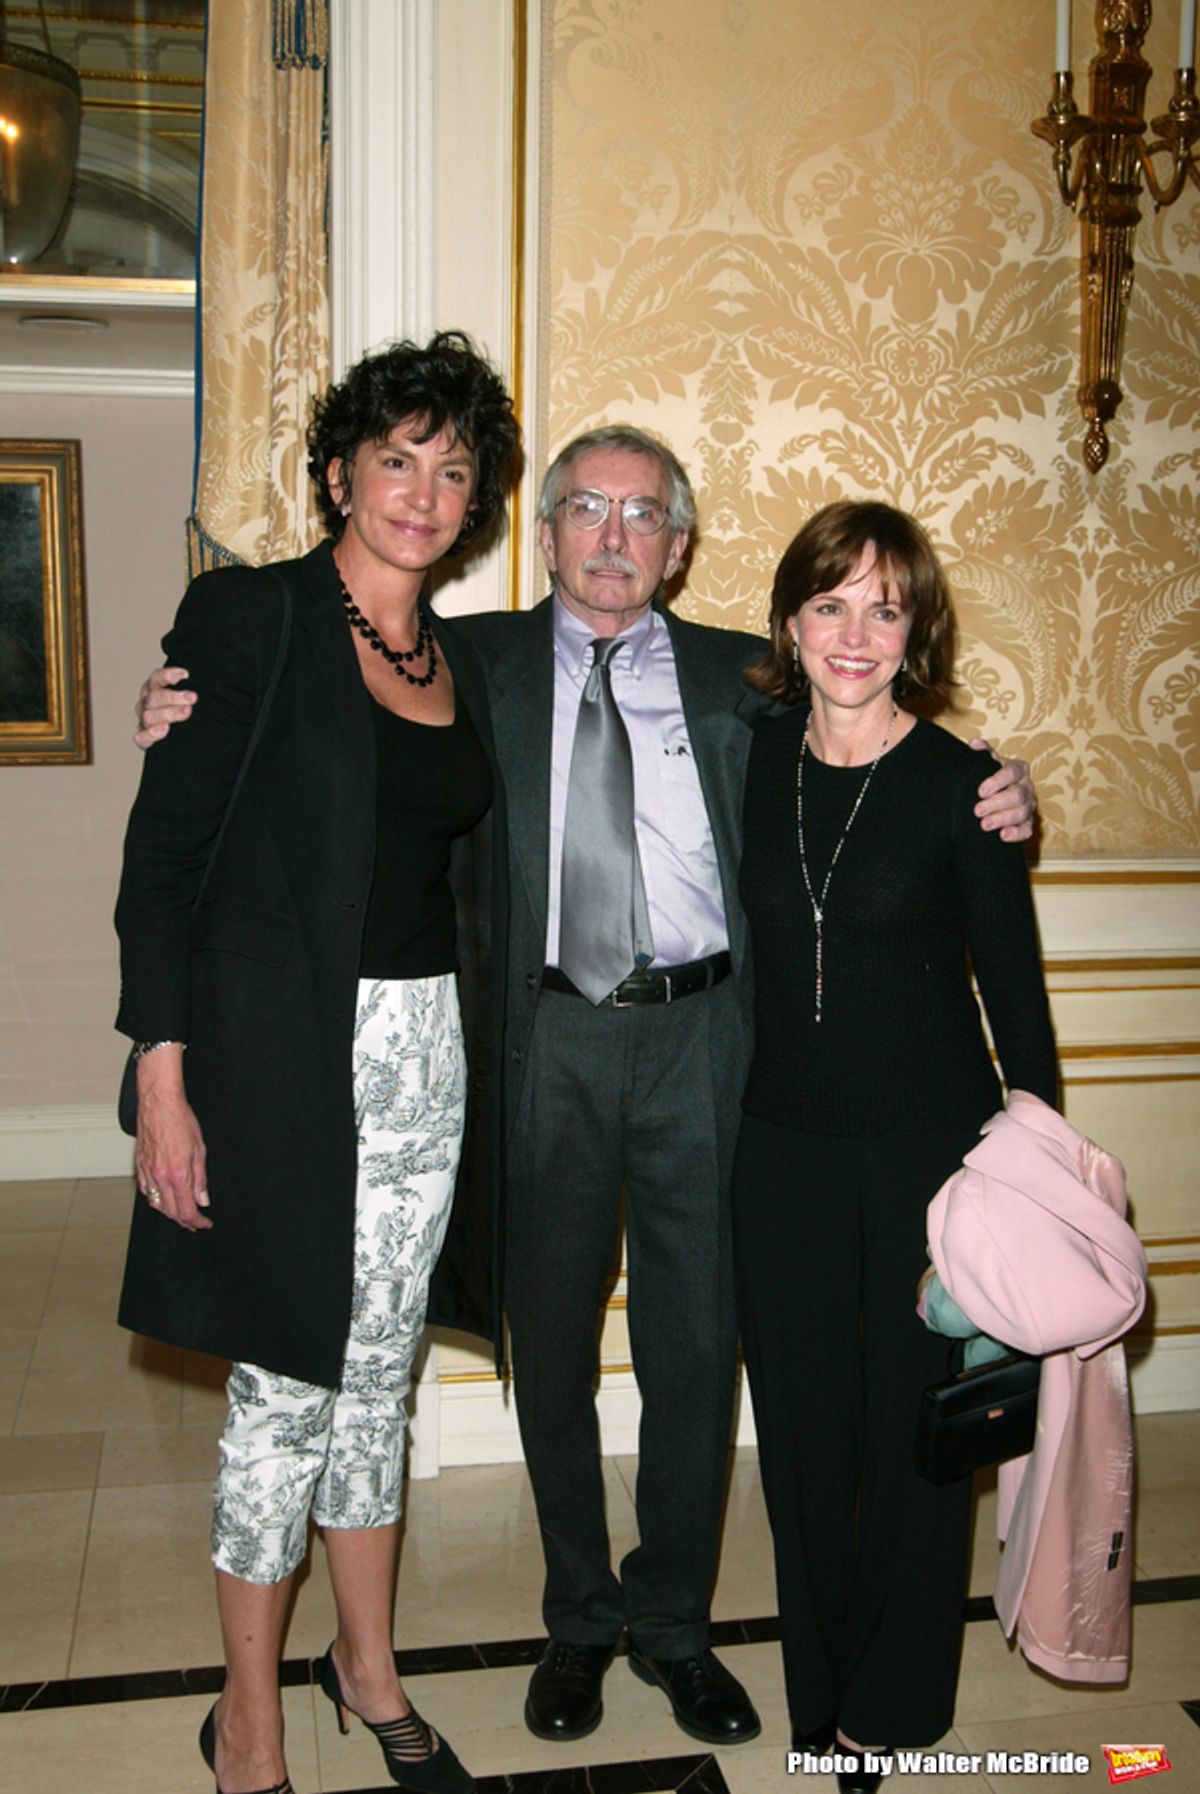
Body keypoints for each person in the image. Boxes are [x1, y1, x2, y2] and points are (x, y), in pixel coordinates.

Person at [133, 430, 1037, 1752]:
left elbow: (881, 751)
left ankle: (673, 1622)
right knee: (547, 1343)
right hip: (542, 1042)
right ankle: (579, 1614)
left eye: (644, 515)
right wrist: (180, 703)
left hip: (712, 1042)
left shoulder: (754, 675)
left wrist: (1003, 793)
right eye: (587, 509)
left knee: (695, 1345)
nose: (614, 537)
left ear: (680, 544)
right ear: (545, 530)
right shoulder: (464, 664)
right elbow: (299, 702)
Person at [115, 331, 518, 1794]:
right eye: (395, 455)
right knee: (285, 1387)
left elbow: (684, 657)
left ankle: (367, 1664)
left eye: (452, 465)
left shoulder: (462, 658)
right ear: (341, 468)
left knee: (375, 1382)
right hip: (281, 1061)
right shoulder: (252, 618)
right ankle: (251, 1717)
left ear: (476, 503)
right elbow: (159, 865)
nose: (421, 487)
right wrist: (163, 1083)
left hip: (428, 1058)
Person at [731, 501, 1059, 1794]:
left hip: (933, 1165)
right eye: (830, 602)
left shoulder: (963, 788)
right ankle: (824, 1690)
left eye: (885, 604)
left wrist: (1023, 1180)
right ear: (791, 621)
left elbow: (1020, 1016)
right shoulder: (747, 755)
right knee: (806, 1438)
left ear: (915, 623)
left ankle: (895, 1699)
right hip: (777, 1158)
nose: (855, 632)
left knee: (913, 1445)